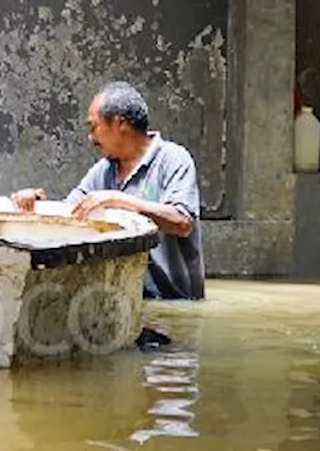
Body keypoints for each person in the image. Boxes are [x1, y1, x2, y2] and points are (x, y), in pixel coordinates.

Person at [11, 81, 204, 300]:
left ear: (119, 123)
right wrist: (35, 203)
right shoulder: (104, 170)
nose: (90, 137)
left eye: (94, 127)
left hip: (175, 305)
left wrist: (117, 200)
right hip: (129, 304)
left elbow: (182, 222)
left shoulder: (173, 159)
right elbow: (72, 212)